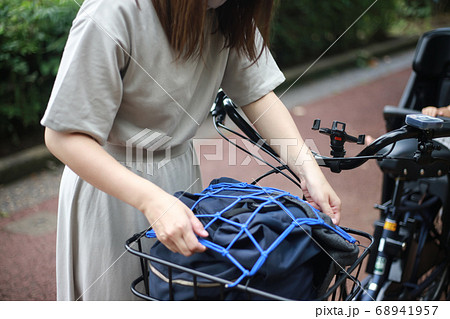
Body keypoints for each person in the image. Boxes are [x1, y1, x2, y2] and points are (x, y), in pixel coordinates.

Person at [41, 0, 341, 301]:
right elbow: (63, 136)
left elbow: (257, 93)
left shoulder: (230, 10)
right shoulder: (113, 9)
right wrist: (151, 200)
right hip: (110, 189)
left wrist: (308, 168)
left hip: (181, 180)